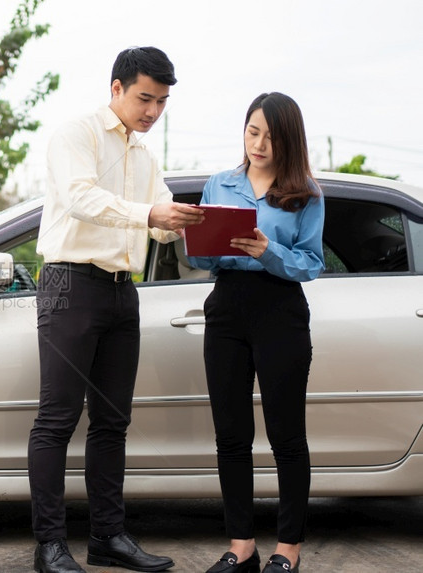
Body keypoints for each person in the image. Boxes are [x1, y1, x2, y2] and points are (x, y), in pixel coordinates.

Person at [28, 46, 205, 573]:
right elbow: (81, 198)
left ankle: (108, 537)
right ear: (116, 89)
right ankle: (50, 546)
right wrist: (149, 211)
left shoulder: (146, 157)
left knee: (112, 422)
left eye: (162, 102)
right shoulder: (76, 135)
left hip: (121, 290)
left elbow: (154, 220)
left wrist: (185, 221)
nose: (153, 111)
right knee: (56, 419)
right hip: (68, 284)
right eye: (145, 98)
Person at [187, 92, 325, 573]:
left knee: (287, 436)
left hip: (280, 309)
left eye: (271, 135)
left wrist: (267, 250)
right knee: (231, 436)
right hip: (226, 308)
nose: (260, 144)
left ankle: (288, 550)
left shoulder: (305, 192)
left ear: (289, 140)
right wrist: (199, 240)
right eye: (252, 131)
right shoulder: (219, 184)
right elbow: (201, 259)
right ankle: (241, 546)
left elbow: (311, 263)